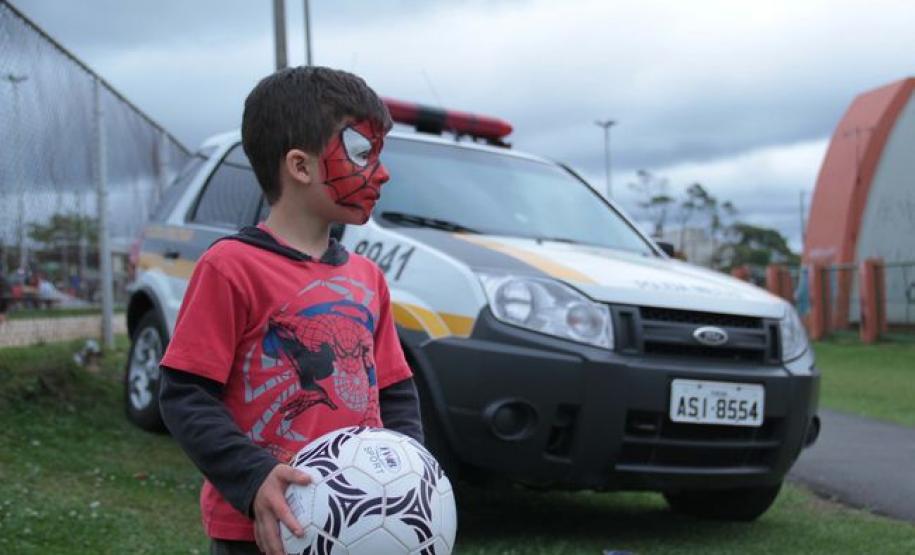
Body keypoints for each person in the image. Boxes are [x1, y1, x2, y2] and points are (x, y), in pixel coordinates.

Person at [158, 66, 423, 555]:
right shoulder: (230, 267)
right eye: (363, 153)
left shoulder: (368, 278)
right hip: (261, 530)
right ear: (300, 166)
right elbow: (185, 396)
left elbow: (395, 393)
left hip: (358, 525)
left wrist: (412, 475)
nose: (382, 172)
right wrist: (253, 477)